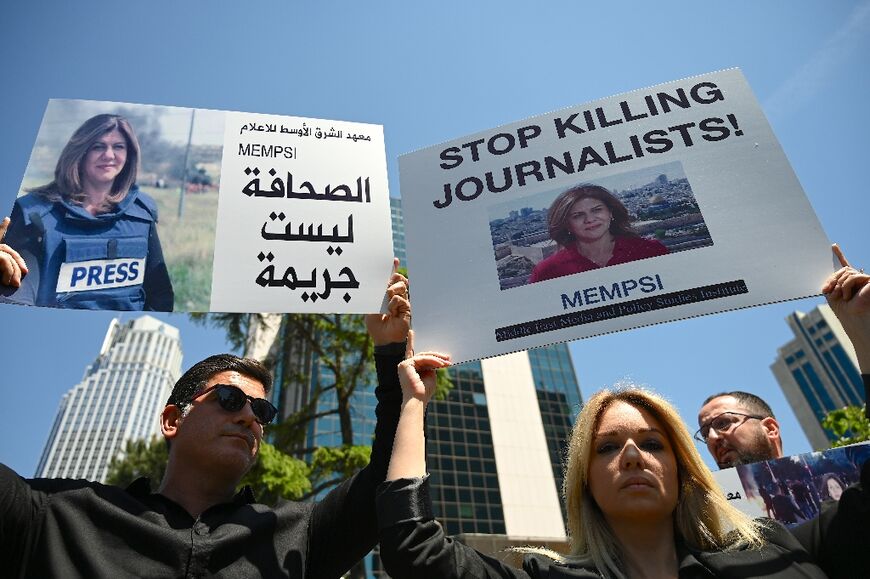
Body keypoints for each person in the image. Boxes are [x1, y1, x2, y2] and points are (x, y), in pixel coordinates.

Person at [0, 263, 410, 577]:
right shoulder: (55, 515)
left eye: (262, 410)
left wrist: (390, 353)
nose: (250, 416)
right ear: (173, 420)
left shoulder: (299, 535)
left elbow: (387, 484)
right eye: (230, 399)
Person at [377, 355, 826, 578]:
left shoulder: (777, 554)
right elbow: (414, 549)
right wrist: (414, 402)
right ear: (585, 481)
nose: (631, 455)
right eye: (607, 448)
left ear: (682, 470)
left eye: (652, 443)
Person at [0, 113, 173, 310]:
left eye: (118, 147)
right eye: (98, 146)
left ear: (130, 155)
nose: (109, 155)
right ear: (80, 152)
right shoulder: (34, 214)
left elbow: (160, 296)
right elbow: (14, 295)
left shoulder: (142, 214)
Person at [529, 184, 668, 284]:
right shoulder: (547, 272)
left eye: (596, 210)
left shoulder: (649, 250)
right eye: (578, 215)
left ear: (611, 213)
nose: (590, 219)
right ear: (567, 224)